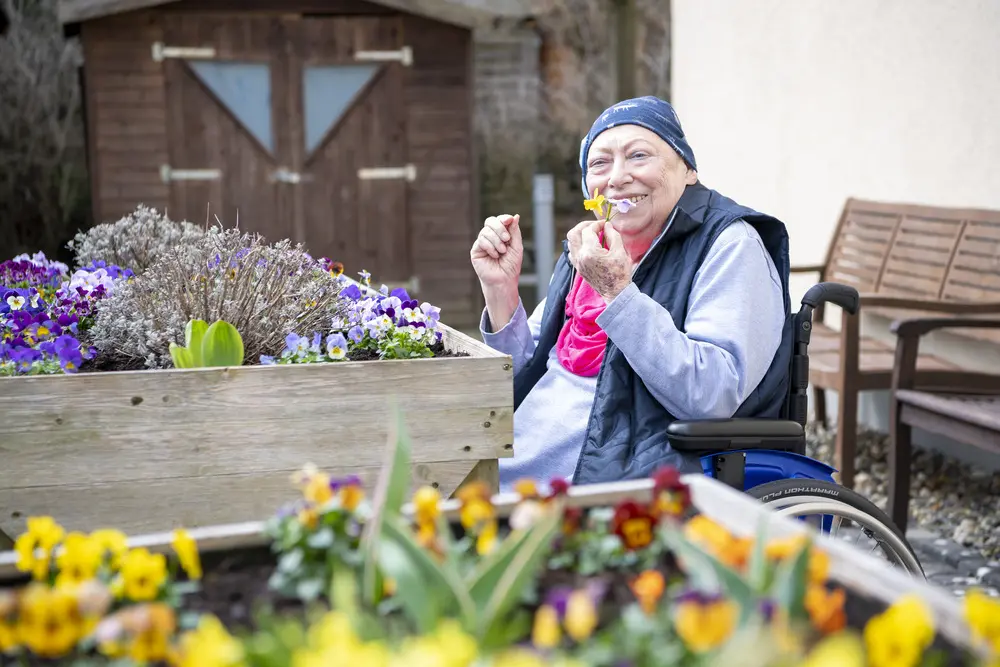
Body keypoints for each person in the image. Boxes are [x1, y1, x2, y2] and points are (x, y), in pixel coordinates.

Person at [471, 96, 792, 492]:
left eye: (639, 156)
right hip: (518, 450)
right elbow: (526, 370)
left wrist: (617, 292)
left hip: (613, 467)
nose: (617, 178)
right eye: (599, 163)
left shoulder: (730, 246)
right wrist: (500, 290)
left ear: (688, 169)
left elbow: (712, 396)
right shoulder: (594, 247)